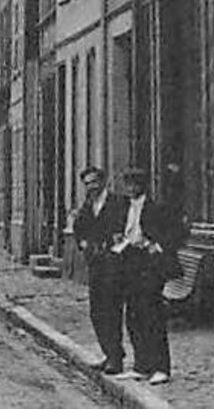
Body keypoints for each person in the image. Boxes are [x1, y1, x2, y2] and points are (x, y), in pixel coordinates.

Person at [112, 169, 186, 385]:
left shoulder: (157, 208)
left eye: (135, 184)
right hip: (129, 260)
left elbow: (179, 232)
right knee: (133, 316)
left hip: (150, 263)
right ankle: (141, 366)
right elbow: (123, 230)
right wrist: (118, 237)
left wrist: (159, 246)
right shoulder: (124, 207)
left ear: (143, 186)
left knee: (152, 316)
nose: (131, 188)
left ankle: (161, 367)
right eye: (128, 184)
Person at [71, 165, 128, 375]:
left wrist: (115, 250)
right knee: (97, 311)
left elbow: (124, 230)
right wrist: (84, 243)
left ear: (103, 182)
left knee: (112, 310)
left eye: (94, 182)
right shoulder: (88, 205)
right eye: (87, 184)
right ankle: (108, 353)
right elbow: (79, 228)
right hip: (95, 264)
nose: (91, 187)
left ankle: (116, 358)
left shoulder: (117, 203)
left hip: (114, 265)